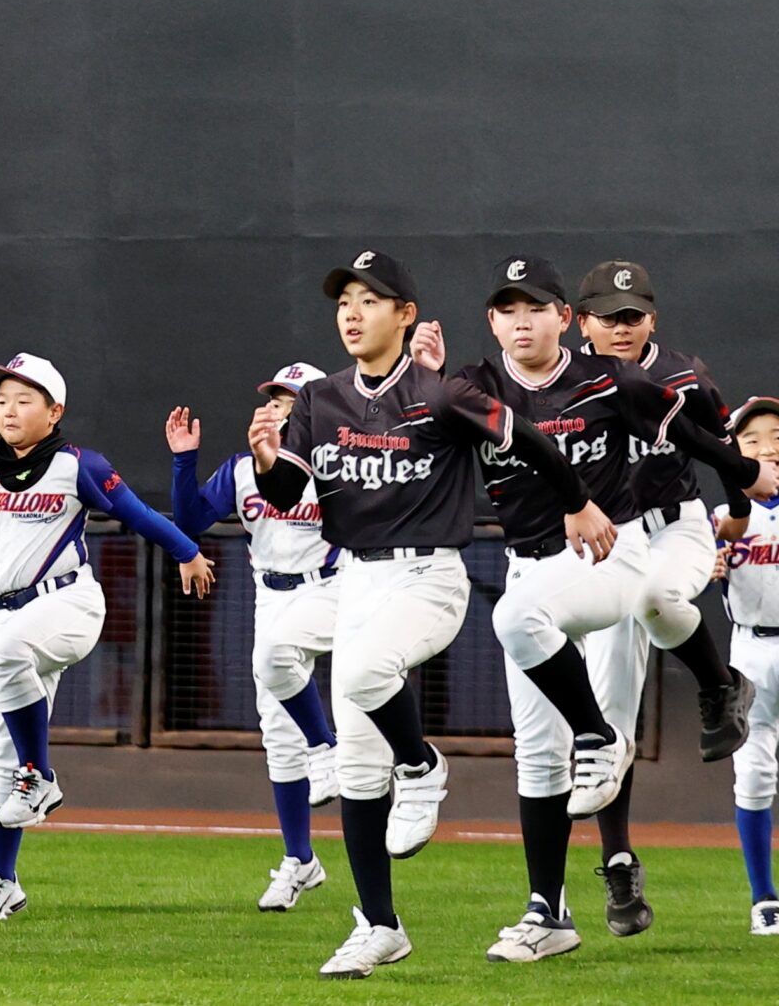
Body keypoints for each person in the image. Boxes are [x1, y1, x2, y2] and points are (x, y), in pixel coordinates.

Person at [249, 250, 606, 979]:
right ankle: (379, 925)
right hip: (355, 577)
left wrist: (576, 501)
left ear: (405, 314)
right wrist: (266, 461)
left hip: (428, 575)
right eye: (344, 301)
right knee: (356, 765)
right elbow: (288, 496)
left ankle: (420, 763)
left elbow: (529, 437)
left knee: (361, 673)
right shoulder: (319, 400)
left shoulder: (442, 394)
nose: (352, 313)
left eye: (370, 300)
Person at [417, 257, 761, 961]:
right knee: (537, 754)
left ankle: (606, 745)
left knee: (524, 628)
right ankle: (547, 913)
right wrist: (425, 380)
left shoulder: (608, 377)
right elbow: (421, 434)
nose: (522, 321)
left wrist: (748, 476)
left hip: (612, 555)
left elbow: (694, 436)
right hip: (530, 564)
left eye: (536, 307)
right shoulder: (475, 386)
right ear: (492, 322)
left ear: (563, 318)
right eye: (508, 309)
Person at [0, 354, 213, 922]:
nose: (9, 409)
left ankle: (40, 775)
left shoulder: (78, 465)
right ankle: (1, 882)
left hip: (68, 603)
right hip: (7, 615)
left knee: (3, 659)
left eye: (25, 400)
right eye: (2, 399)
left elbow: (138, 514)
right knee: (1, 751)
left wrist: (188, 551)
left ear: (55, 412)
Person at [573, 258, 766, 936]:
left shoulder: (683, 374)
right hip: (607, 541)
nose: (621, 326)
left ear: (651, 319)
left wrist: (737, 511)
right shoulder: (568, 384)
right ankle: (618, 862)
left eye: (632, 315)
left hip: (673, 525)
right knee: (607, 721)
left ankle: (719, 686)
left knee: (657, 599)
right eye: (607, 316)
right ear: (582, 322)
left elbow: (722, 443)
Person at [166, 362, 340, 912]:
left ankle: (338, 751)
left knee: (295, 669)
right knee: (280, 735)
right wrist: (184, 459)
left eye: (291, 401)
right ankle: (300, 860)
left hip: (335, 587)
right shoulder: (243, 469)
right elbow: (191, 520)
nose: (277, 408)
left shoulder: (339, 463)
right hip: (273, 593)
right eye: (274, 399)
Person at [718, 395, 779, 937]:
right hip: (751, 648)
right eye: (752, 439)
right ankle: (764, 899)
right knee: (754, 774)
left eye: (777, 437)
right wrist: (704, 565)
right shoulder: (723, 518)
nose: (767, 447)